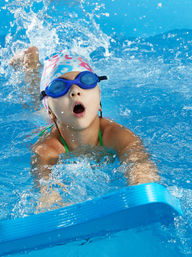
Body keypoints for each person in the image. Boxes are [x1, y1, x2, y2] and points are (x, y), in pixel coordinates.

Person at [10, 46, 159, 211]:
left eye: (85, 80)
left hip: (64, 114)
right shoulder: (45, 148)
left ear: (99, 96)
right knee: (33, 106)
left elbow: (139, 163)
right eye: (59, 87)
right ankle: (29, 64)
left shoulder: (119, 135)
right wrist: (53, 201)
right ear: (51, 111)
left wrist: (141, 184)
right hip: (51, 122)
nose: (74, 91)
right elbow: (45, 187)